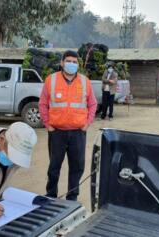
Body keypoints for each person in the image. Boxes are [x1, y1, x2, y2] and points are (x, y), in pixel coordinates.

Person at [39, 50, 97, 201]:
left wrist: (87, 123)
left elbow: (92, 104)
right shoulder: (51, 80)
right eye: (69, 61)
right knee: (54, 167)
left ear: (78, 65)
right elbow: (43, 104)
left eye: (74, 62)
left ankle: (72, 197)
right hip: (57, 132)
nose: (71, 64)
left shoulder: (85, 82)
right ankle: (51, 195)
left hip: (78, 132)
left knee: (77, 167)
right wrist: (47, 125)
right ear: (62, 63)